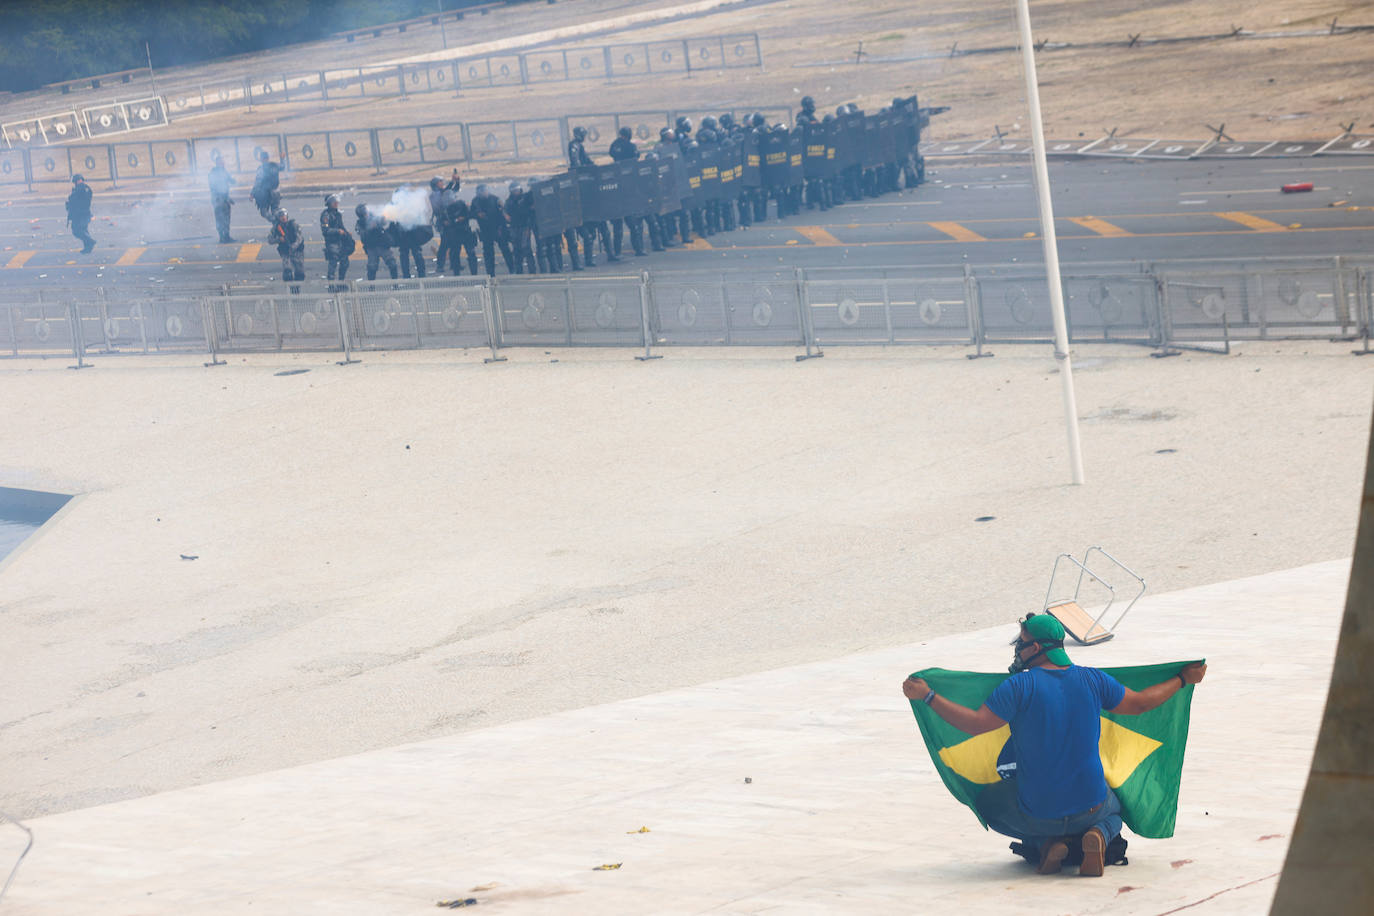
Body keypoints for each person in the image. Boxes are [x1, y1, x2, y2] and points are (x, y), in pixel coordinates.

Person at [901, 613, 1207, 877]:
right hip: (1090, 807)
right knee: (1115, 808)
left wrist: (928, 696)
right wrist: (1183, 679)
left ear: (1035, 648)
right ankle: (1098, 835)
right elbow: (1140, 704)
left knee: (987, 804)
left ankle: (1046, 844)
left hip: (1037, 812)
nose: (1018, 649)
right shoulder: (1093, 680)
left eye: (1021, 642)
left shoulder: (1018, 686)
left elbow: (975, 724)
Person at [470, 184, 513, 277]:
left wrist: (502, 228)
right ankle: (491, 274)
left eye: (484, 191)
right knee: (488, 253)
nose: (483, 193)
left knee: (505, 249)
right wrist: (477, 214)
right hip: (485, 230)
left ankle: (512, 269)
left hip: (498, 228)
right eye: (481, 192)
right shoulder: (475, 201)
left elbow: (503, 213)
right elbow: (471, 213)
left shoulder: (495, 199)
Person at [355, 203, 398, 281]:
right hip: (371, 248)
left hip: (382, 245)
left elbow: (383, 222)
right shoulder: (359, 224)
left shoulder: (374, 217)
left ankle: (396, 284)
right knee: (372, 267)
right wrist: (370, 228)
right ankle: (371, 287)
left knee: (392, 264)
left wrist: (384, 219)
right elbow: (362, 234)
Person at [319, 194, 353, 289]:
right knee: (333, 263)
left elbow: (341, 226)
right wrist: (337, 231)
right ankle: (331, 285)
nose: (336, 203)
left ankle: (341, 283)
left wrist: (346, 232)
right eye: (334, 202)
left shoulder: (338, 214)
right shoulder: (326, 215)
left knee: (345, 262)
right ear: (329, 203)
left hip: (340, 242)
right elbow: (325, 231)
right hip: (332, 243)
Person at [269, 207, 305, 293]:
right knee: (287, 270)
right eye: (281, 216)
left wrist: (293, 246)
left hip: (297, 251)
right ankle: (291, 288)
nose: (283, 217)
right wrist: (278, 239)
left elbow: (299, 238)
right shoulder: (276, 228)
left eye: (284, 215)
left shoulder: (294, 225)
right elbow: (270, 240)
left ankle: (297, 287)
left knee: (300, 272)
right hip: (285, 252)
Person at [65, 173, 95, 254]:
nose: (75, 184)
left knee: (77, 231)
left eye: (75, 182)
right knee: (84, 230)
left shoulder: (80, 189)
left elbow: (74, 200)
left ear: (79, 180)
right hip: (84, 213)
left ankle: (90, 241)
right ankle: (87, 248)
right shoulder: (86, 188)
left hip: (80, 214)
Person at [208, 155, 236, 243]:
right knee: (220, 219)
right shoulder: (213, 173)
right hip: (218, 199)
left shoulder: (224, 171)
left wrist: (234, 180)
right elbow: (214, 187)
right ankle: (221, 237)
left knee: (227, 219)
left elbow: (231, 180)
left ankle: (227, 236)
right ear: (217, 163)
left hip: (224, 199)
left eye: (223, 162)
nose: (223, 163)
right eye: (221, 162)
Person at [251, 150, 283, 222]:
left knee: (264, 212)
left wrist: (252, 193)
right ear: (268, 158)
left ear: (261, 159)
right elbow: (283, 166)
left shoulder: (261, 168)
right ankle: (279, 225)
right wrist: (282, 159)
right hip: (276, 192)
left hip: (266, 194)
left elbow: (258, 182)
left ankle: (276, 222)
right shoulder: (275, 165)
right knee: (275, 211)